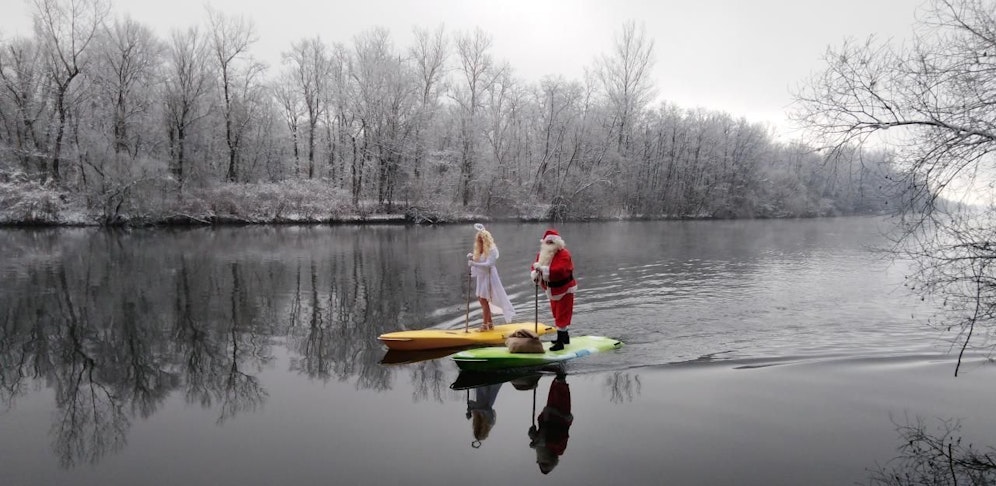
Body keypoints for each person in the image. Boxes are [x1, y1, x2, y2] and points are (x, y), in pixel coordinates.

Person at [530, 229, 576, 350]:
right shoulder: (542, 255)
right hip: (552, 289)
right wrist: (535, 274)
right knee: (556, 313)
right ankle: (565, 337)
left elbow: (559, 271)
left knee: (562, 314)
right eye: (547, 242)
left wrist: (543, 269)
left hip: (565, 289)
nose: (549, 245)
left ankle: (560, 343)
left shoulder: (564, 254)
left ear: (557, 243)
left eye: (551, 242)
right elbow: (535, 266)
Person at [468, 223, 516, 331]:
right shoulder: (480, 249)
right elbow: (480, 260)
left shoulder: (492, 249)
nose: (479, 241)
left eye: (481, 239)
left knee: (484, 300)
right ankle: (490, 323)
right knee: (481, 299)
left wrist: (474, 264)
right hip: (482, 276)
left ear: (486, 239)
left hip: (489, 276)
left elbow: (489, 264)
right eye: (478, 239)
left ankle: (485, 325)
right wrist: (473, 257)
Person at [528, 373, 573, 474]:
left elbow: (542, 430)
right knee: (561, 393)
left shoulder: (539, 446)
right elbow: (560, 438)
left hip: (549, 416)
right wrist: (544, 441)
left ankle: (558, 376)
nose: (543, 460)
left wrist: (533, 434)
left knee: (553, 392)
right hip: (561, 417)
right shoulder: (559, 450)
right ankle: (561, 376)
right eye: (546, 463)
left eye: (542, 463)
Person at [466, 383, 502, 448]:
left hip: (481, 388)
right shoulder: (490, 422)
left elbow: (471, 402)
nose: (478, 427)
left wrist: (469, 411)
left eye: (477, 429)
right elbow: (487, 409)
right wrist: (474, 408)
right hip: (490, 389)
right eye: (480, 430)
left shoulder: (477, 417)